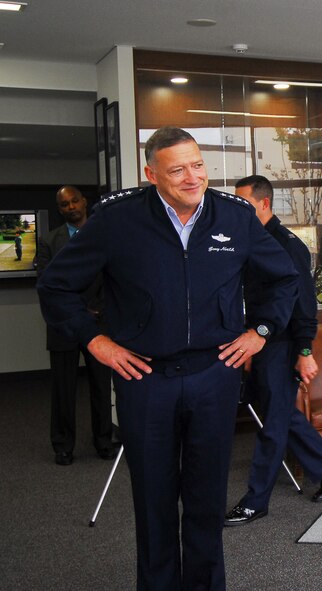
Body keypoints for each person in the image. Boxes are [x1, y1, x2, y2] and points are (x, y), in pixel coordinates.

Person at [37, 127, 298, 590]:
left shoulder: (234, 217)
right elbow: (56, 286)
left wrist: (260, 332)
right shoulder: (116, 220)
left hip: (213, 375)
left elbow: (283, 279)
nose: (192, 177)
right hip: (145, 380)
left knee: (206, 499)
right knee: (154, 500)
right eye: (177, 169)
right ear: (150, 172)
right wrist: (97, 342)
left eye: (198, 164)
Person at [224, 175, 322, 527]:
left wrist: (305, 350)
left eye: (244, 204)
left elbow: (305, 304)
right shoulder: (253, 240)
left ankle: (255, 500)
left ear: (264, 204)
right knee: (279, 413)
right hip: (262, 344)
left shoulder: (287, 245)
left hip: (284, 345)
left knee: (273, 425)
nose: (239, 211)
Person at [33, 185, 114, 465]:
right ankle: (63, 446)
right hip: (63, 326)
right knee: (63, 389)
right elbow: (46, 282)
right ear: (60, 209)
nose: (71, 207)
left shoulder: (105, 234)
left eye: (74, 201)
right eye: (64, 204)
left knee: (102, 386)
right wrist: (78, 310)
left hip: (100, 322)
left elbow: (114, 277)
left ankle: (104, 442)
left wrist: (98, 308)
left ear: (84, 201)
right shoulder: (48, 240)